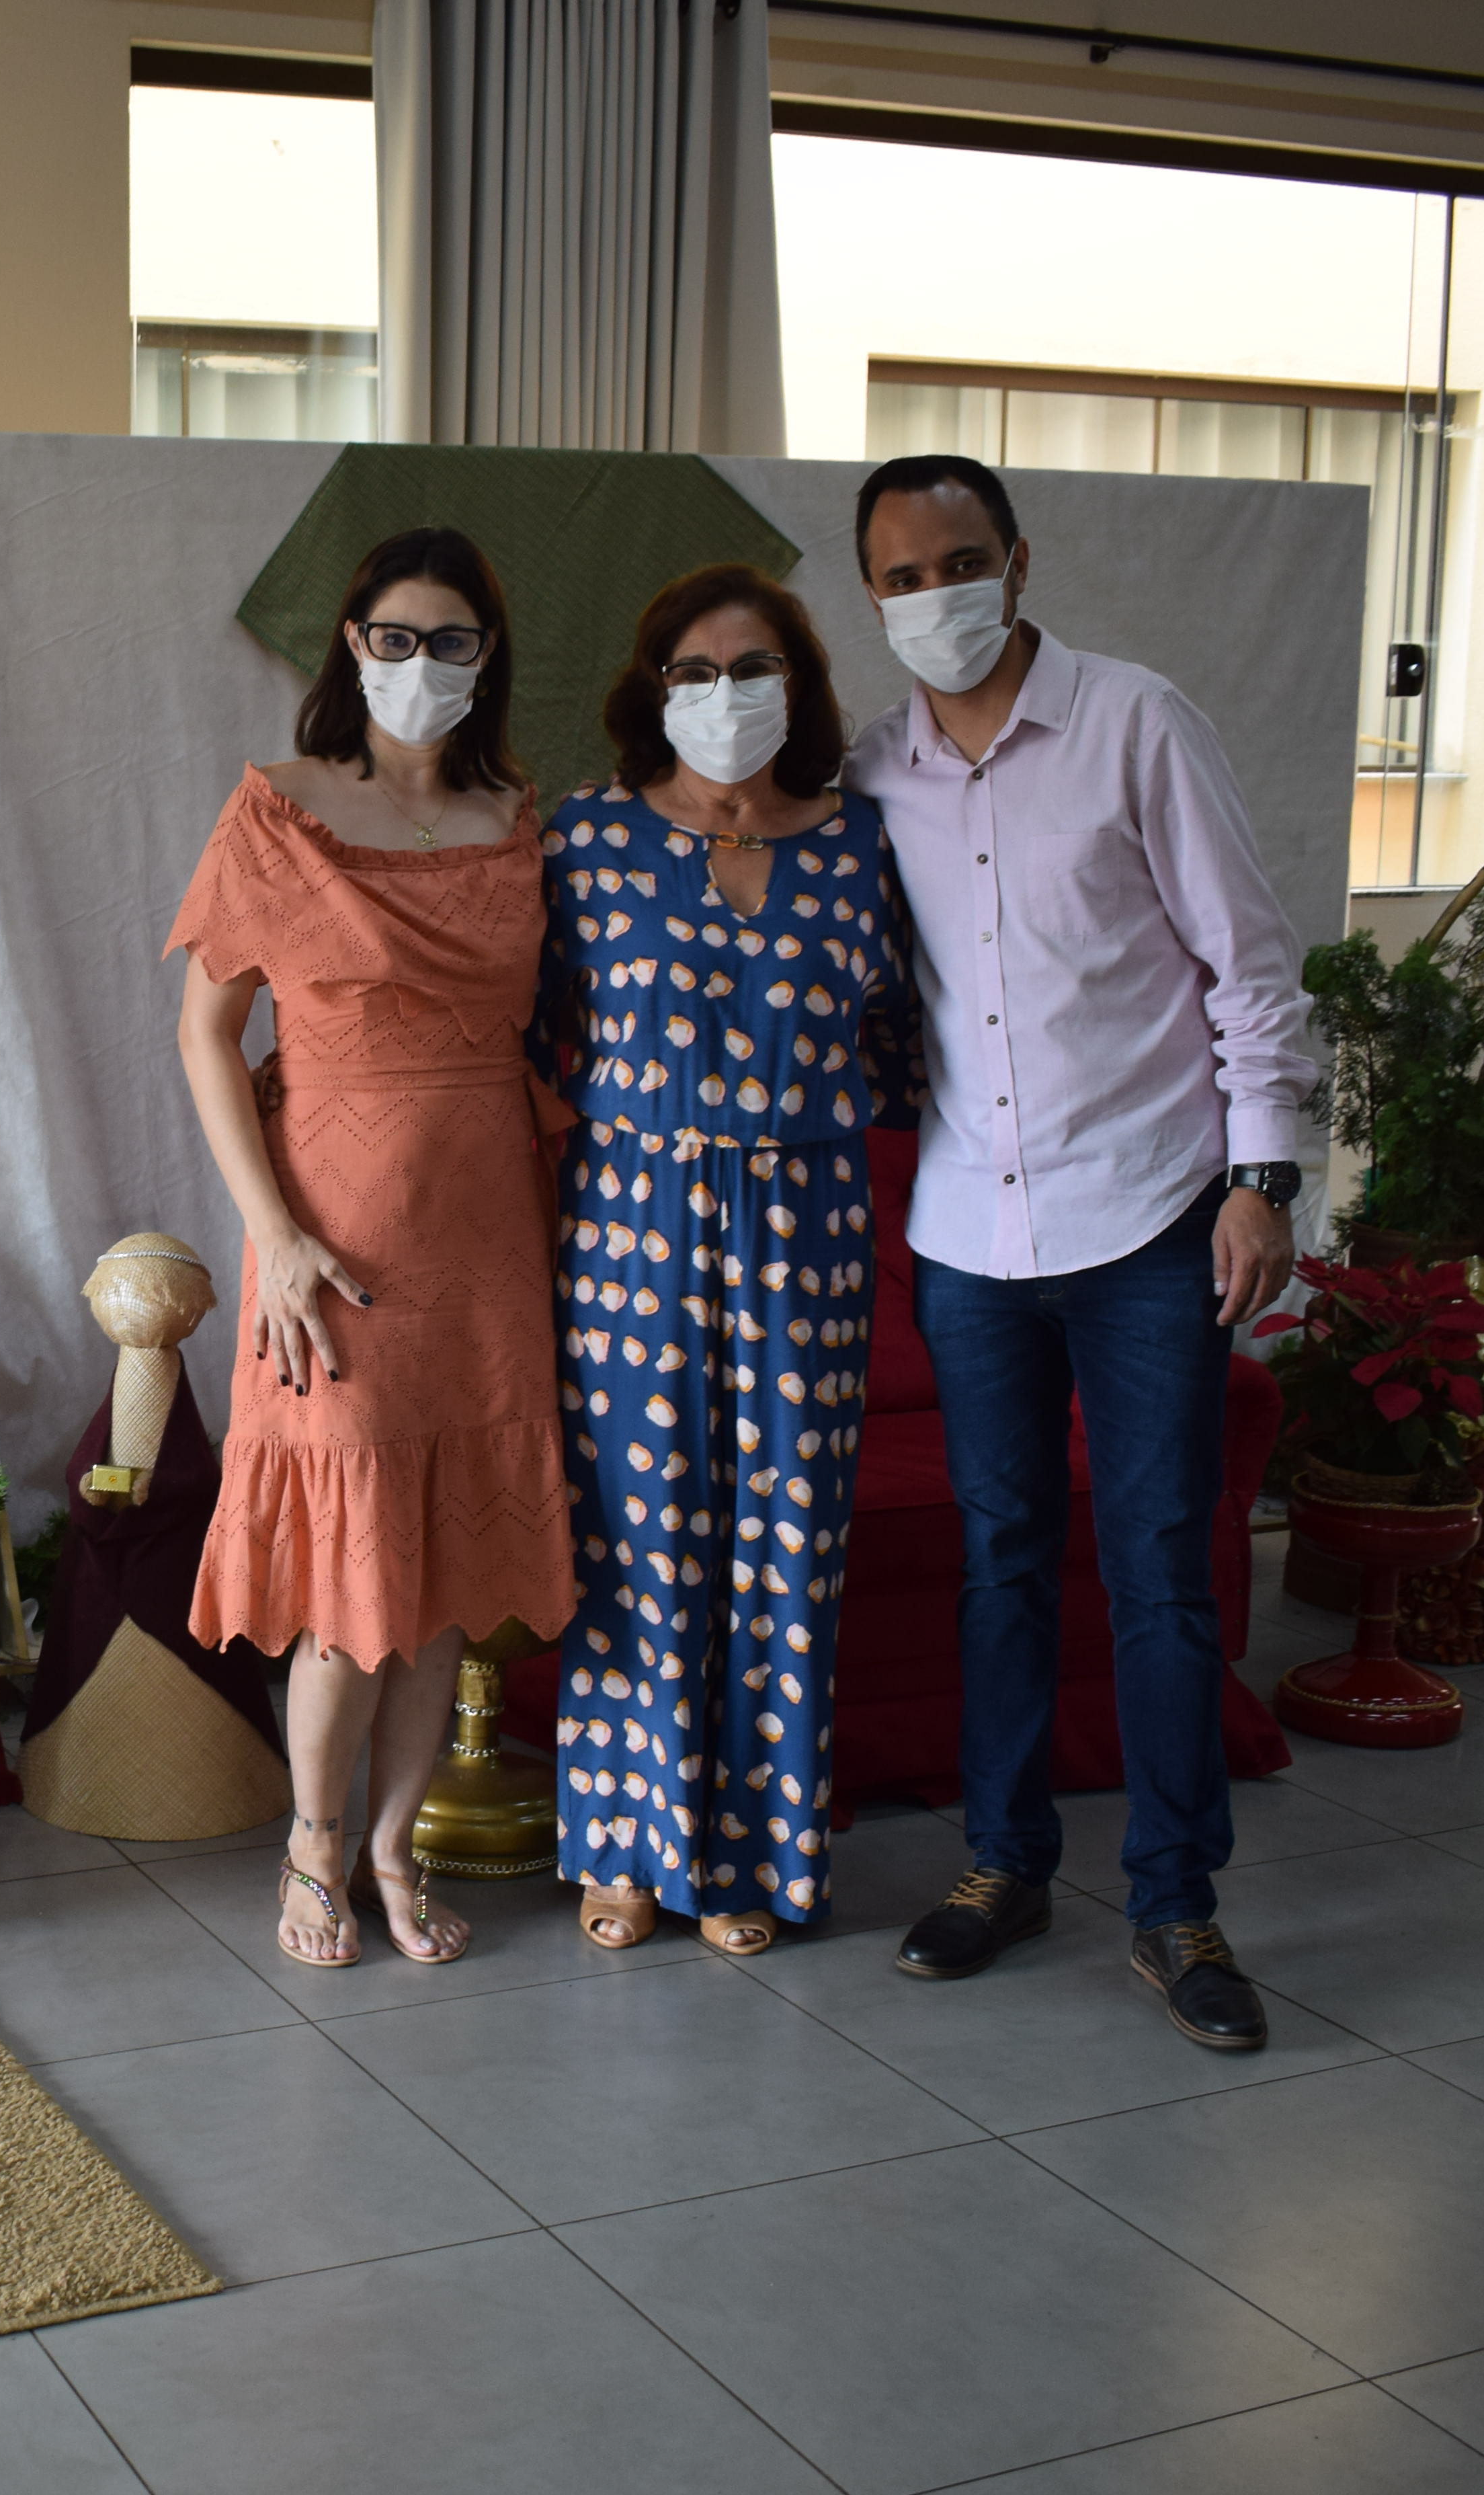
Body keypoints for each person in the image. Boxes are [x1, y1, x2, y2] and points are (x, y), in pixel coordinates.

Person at [842, 452, 1311, 2054]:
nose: (936, 597)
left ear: (1020, 560)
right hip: (970, 1233)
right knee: (1002, 1561)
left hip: (1150, 1214)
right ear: (872, 596)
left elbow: (1250, 963)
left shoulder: (1137, 723)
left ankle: (1176, 1903)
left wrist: (1263, 1178)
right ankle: (1007, 1862)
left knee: (1162, 1567)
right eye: (902, 577)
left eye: (960, 562)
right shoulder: (872, 770)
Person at [169, 523, 577, 1971]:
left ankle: (396, 1850)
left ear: (488, 654)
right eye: (394, 638)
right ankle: (313, 1843)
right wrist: (273, 1235)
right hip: (333, 1240)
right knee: (348, 1595)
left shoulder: (521, 817)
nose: (419, 663)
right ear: (353, 645)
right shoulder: (279, 809)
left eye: (449, 640)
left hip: (489, 1228)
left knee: (445, 1577)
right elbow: (207, 1038)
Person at [534, 564, 918, 1960]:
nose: (724, 693)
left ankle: (750, 1855)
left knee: (786, 1546)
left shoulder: (863, 842)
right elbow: (528, 1036)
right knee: (636, 1539)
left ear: (799, 687)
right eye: (693, 670)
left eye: (754, 667)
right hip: (630, 1227)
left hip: (807, 1233)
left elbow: (902, 1044)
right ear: (652, 690)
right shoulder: (584, 837)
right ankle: (629, 1847)